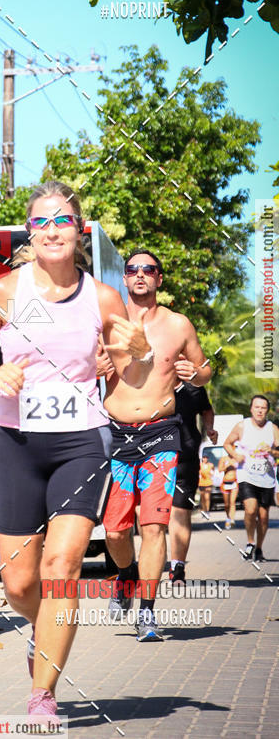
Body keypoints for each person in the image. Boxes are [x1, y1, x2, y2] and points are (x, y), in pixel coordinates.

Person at [0, 181, 153, 723]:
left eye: (62, 221)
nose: (52, 231)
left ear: (78, 231)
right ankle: (44, 629)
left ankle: (42, 696)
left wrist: (137, 352)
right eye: (41, 222)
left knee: (62, 564)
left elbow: (130, 367)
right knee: (20, 581)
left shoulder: (103, 297)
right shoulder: (2, 293)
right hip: (17, 441)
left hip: (81, 442)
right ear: (29, 232)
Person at [98, 249, 212, 641]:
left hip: (162, 434)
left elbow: (204, 369)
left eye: (149, 270)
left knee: (154, 527)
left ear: (159, 279)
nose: (140, 275)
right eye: (133, 270)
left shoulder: (178, 324)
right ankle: (126, 575)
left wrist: (194, 373)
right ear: (124, 279)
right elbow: (80, 364)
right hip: (117, 436)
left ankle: (146, 611)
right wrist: (93, 365)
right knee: (114, 531)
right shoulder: (109, 324)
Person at [168, 382, 217, 583]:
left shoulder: (194, 387)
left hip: (184, 458)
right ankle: (141, 566)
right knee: (148, 516)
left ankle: (177, 567)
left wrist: (210, 429)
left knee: (180, 512)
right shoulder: (148, 378)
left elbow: (206, 410)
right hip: (151, 459)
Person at [224, 395, 279, 562]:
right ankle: (250, 542)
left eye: (263, 408)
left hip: (267, 477)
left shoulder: (273, 428)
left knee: (263, 517)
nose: (260, 410)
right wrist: (235, 454)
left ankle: (259, 548)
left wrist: (272, 452)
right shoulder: (242, 426)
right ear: (251, 409)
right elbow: (227, 443)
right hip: (246, 475)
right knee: (250, 509)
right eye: (257, 407)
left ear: (267, 411)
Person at [218, 451, 239, 529]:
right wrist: (227, 465)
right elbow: (220, 469)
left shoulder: (236, 459)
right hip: (225, 483)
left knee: (232, 502)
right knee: (227, 504)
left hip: (234, 482)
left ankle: (232, 520)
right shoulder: (223, 459)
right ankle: (228, 518)